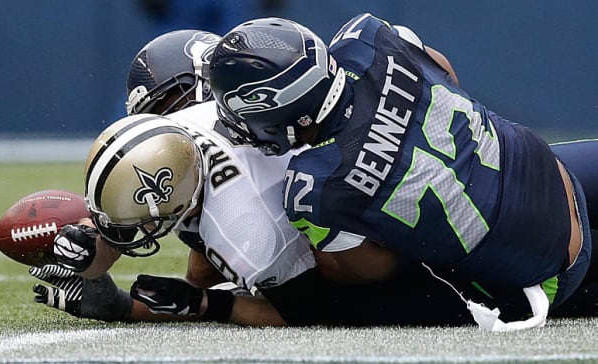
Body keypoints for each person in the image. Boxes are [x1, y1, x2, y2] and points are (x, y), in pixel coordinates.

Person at [209, 14, 593, 329]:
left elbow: (372, 270)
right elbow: (445, 73)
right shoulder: (368, 37)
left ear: (273, 106)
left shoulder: (314, 186)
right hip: (551, 172)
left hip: (549, 268)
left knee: (359, 303)